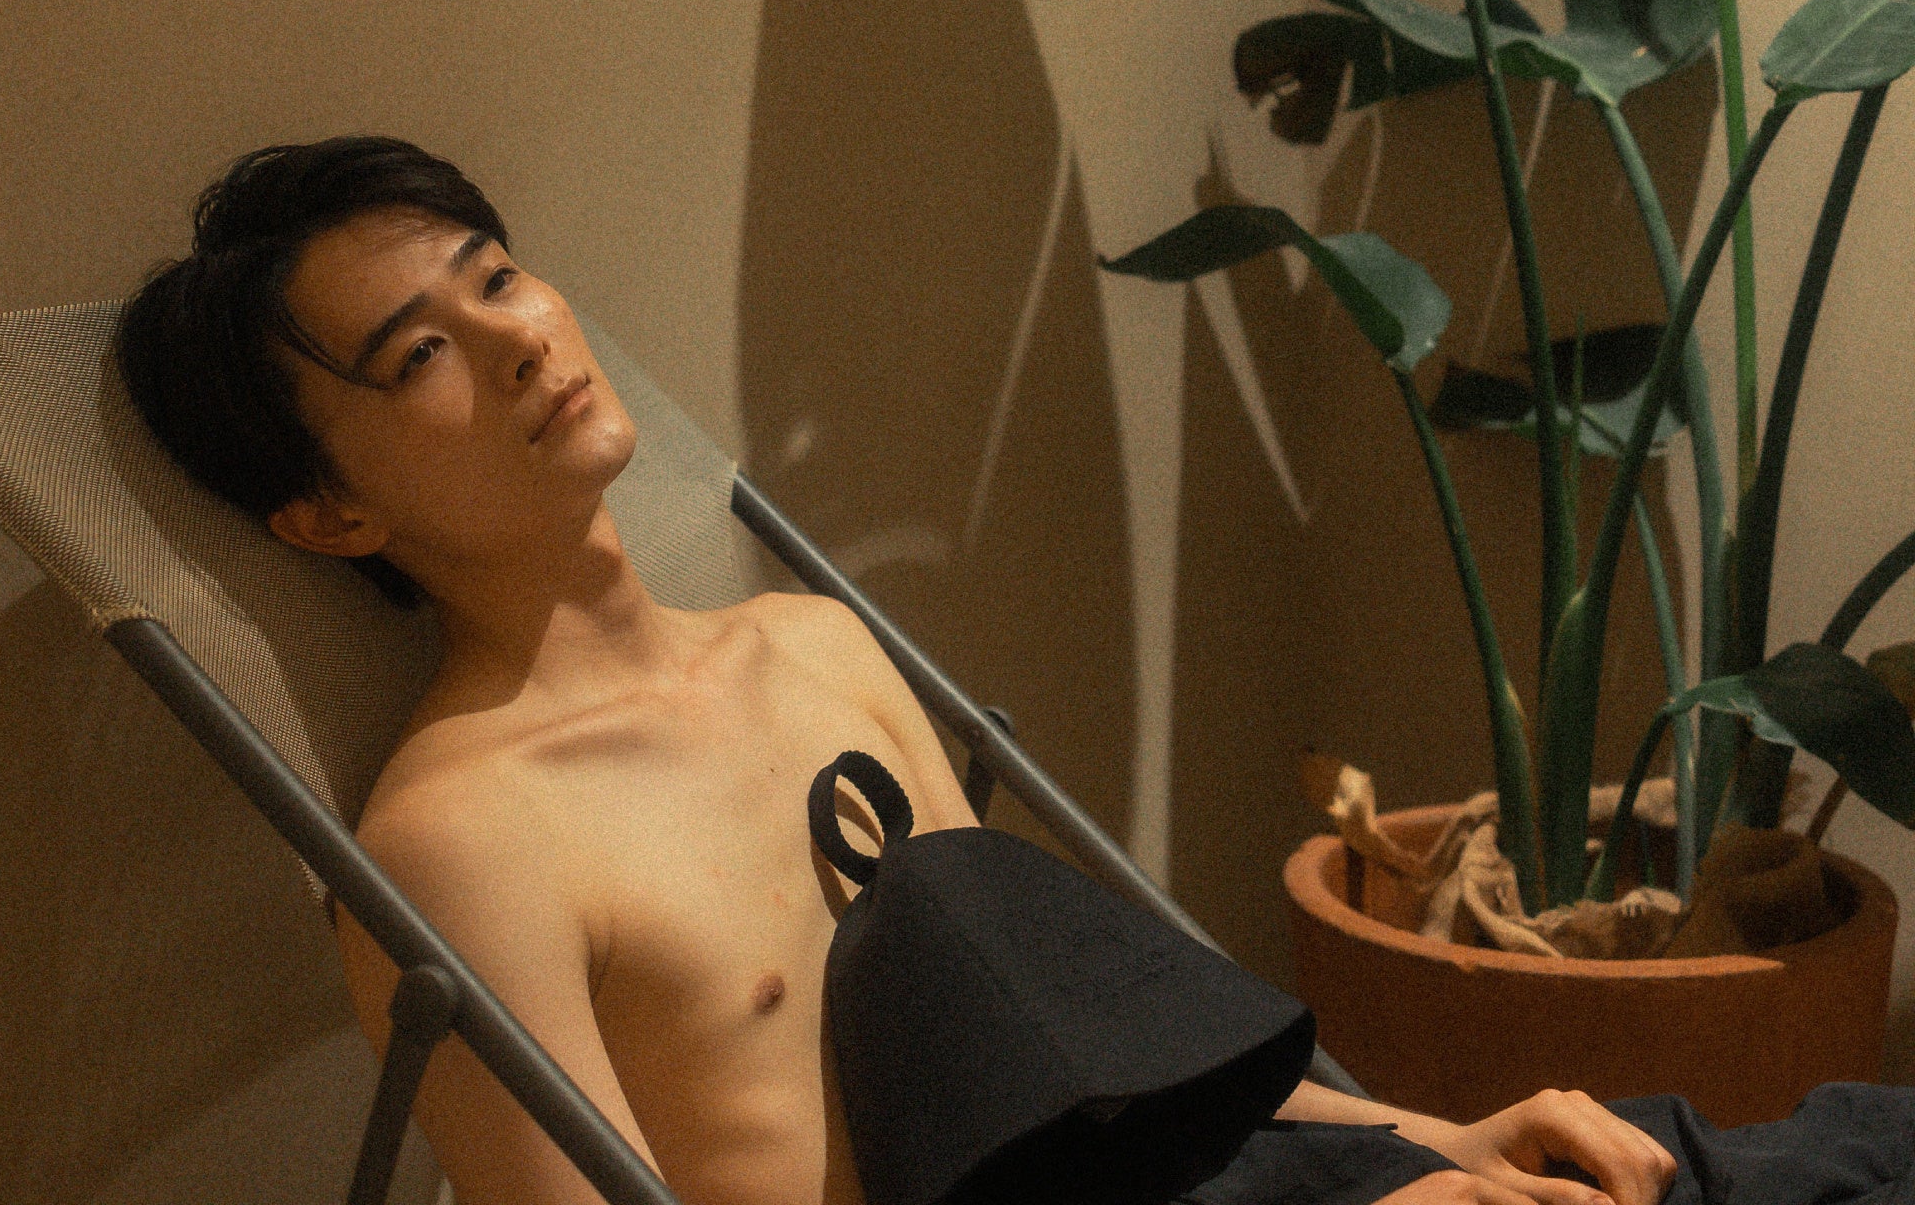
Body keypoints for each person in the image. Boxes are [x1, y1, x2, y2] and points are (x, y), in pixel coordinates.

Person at [117, 137, 1679, 1205]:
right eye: (419, 353)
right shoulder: (464, 842)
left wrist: (1435, 1137)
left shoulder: (813, 643)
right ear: (327, 514)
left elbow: (1077, 1066)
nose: (517, 337)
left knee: (1735, 1158)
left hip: (1237, 1174)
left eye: (498, 276)